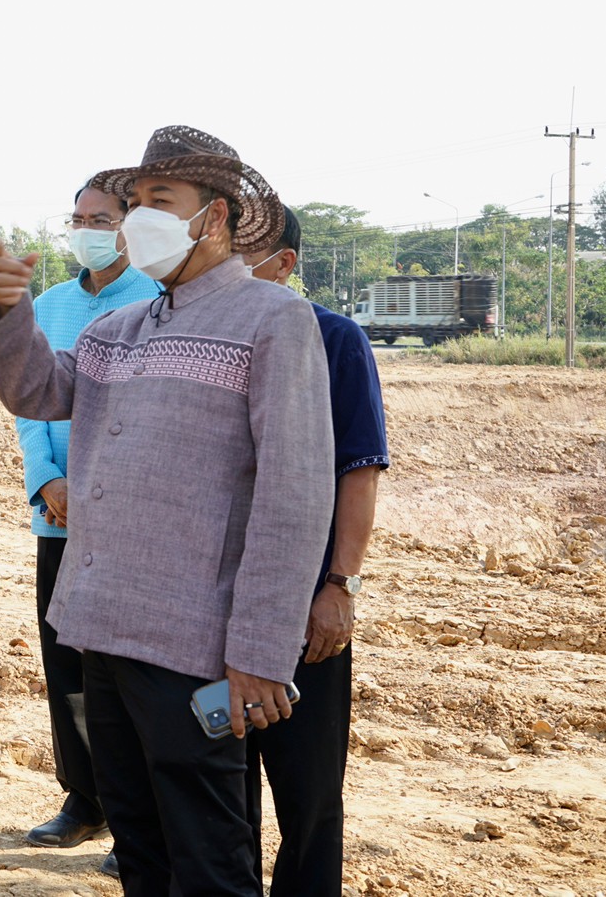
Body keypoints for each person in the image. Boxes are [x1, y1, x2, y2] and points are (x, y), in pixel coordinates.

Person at [0, 125, 335, 895]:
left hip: (194, 643)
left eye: (158, 202)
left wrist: (263, 652)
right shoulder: (120, 327)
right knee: (139, 843)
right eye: (133, 202)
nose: (138, 218)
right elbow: (38, 391)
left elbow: (294, 493)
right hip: (102, 626)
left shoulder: (272, 320)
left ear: (216, 217)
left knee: (207, 855)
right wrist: (8, 314)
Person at [240, 209, 389, 895]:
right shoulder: (196, 335)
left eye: (250, 252)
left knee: (308, 792)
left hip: (303, 609)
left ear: (285, 263)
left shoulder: (336, 340)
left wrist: (340, 587)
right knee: (217, 789)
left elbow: (357, 472)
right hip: (207, 602)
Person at [16, 181, 158, 878]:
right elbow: (28, 407)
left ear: (132, 229)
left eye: (101, 219)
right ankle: (85, 798)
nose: (87, 230)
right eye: (78, 219)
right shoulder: (49, 307)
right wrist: (46, 479)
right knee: (65, 663)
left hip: (131, 518)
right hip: (60, 515)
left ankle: (137, 818)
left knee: (126, 671)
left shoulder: (155, 300)